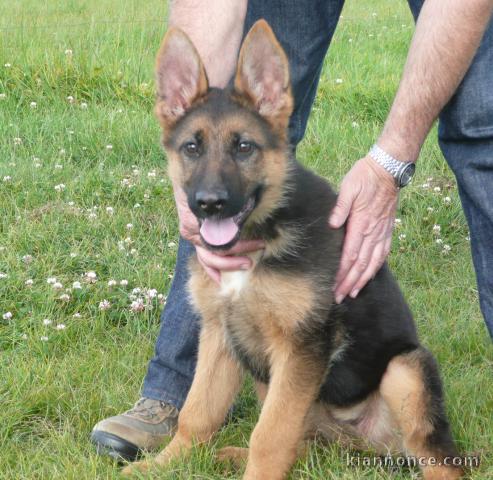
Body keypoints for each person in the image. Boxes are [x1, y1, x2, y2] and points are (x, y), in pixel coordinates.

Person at [91, 0, 493, 461]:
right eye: (192, 149)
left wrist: (390, 161)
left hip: (377, 402)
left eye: (243, 147)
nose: (212, 190)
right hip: (315, 401)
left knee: (484, 120)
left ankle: (434, 463)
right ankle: (173, 405)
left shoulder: (304, 230)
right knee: (223, 310)